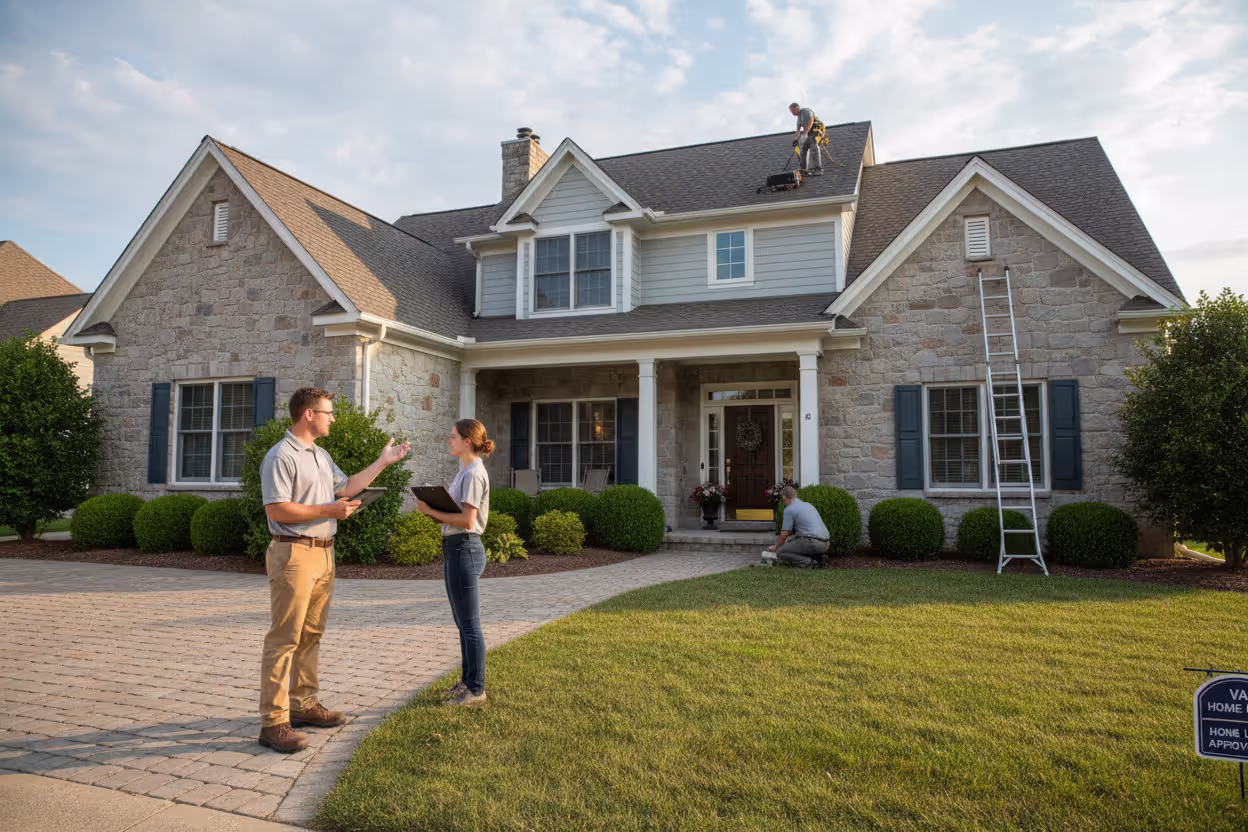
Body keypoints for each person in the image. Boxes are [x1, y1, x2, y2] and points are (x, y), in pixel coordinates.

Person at [257, 387, 410, 752]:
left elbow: (348, 487)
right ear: (308, 414)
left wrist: (383, 461)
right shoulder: (281, 456)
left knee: (311, 634)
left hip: (324, 554)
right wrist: (329, 511)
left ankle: (304, 705)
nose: (332, 418)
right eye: (328, 412)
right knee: (284, 640)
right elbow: (276, 509)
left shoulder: (321, 456)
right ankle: (273, 723)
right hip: (293, 554)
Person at [415, 418, 494, 708]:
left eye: (452, 437)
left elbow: (467, 521)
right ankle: (467, 682)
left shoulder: (473, 474)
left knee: (470, 624)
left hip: (465, 549)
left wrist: (430, 509)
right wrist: (435, 508)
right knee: (463, 623)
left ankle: (477, 690)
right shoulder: (463, 472)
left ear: (467, 441)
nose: (448, 441)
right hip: (455, 548)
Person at [767, 485, 830, 568]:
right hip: (826, 543)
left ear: (784, 497)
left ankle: (808, 562)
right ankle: (820, 558)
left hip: (812, 543)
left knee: (780, 552)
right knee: (794, 544)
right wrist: (791, 538)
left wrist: (776, 547)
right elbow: (805, 530)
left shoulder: (789, 509)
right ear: (795, 495)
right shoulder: (808, 505)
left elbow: (785, 532)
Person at [789, 102, 827, 176]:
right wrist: (796, 139)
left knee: (814, 147)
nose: (792, 113)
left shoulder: (805, 112)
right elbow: (798, 129)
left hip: (816, 131)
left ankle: (818, 169)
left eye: (793, 111)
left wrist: (806, 132)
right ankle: (804, 169)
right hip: (809, 133)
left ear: (797, 108)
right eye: (791, 112)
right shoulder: (799, 116)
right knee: (803, 151)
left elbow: (810, 120)